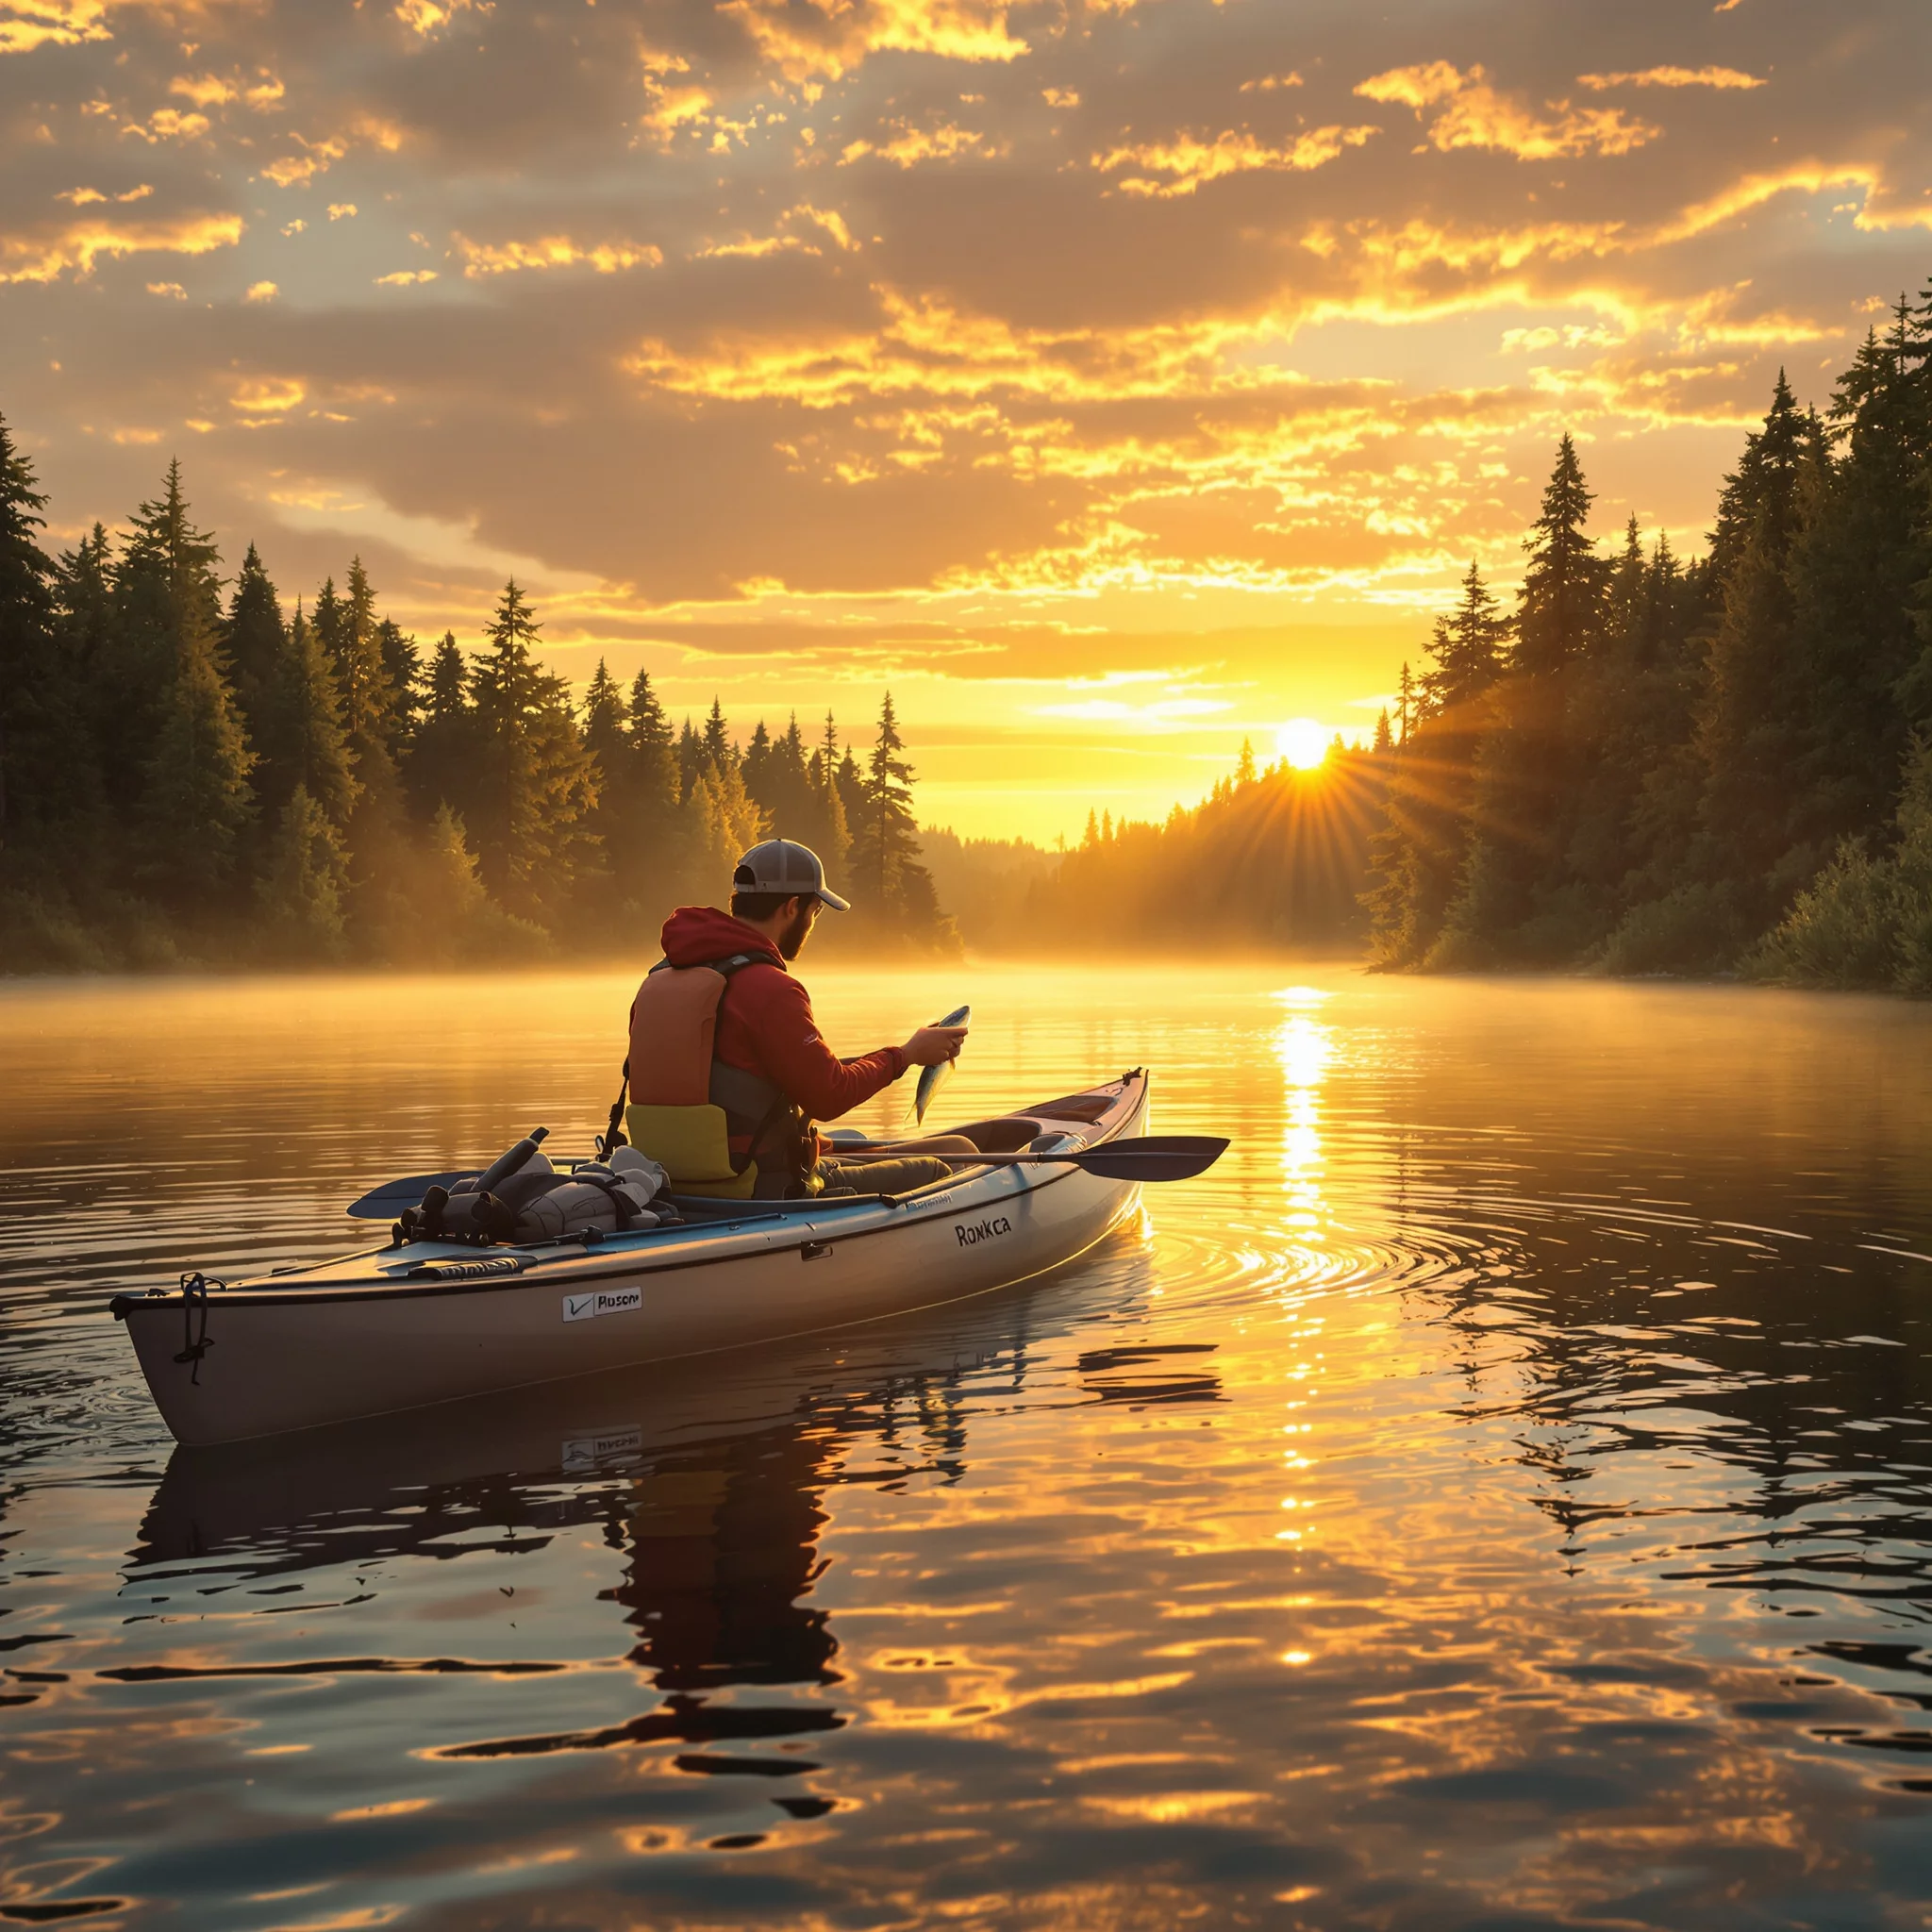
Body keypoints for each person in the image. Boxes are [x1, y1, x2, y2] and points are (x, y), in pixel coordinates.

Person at [622, 839, 972, 1199]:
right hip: (761, 1186)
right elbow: (829, 1097)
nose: (812, 923)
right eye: (815, 911)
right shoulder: (770, 989)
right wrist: (906, 1055)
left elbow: (734, 1082)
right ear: (792, 907)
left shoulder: (659, 979)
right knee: (949, 1163)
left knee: (880, 1144)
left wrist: (900, 1052)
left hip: (670, 1181)